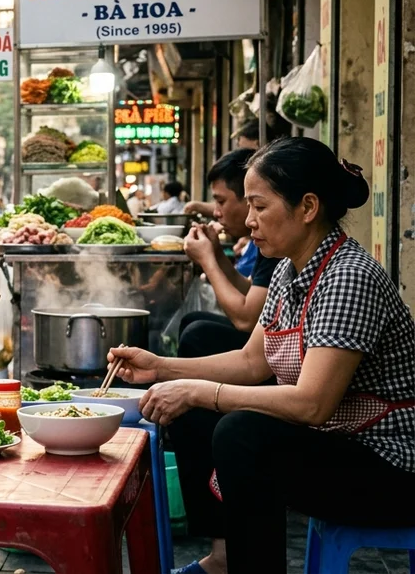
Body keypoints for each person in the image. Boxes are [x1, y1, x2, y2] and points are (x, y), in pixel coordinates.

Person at [109, 137, 415, 574]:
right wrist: (161, 368)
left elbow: (312, 404)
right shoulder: (292, 268)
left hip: (390, 466)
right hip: (340, 443)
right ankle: (225, 558)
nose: (249, 220)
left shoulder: (348, 276)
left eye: (259, 206)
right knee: (199, 410)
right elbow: (253, 362)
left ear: (307, 207)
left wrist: (198, 391)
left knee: (243, 435)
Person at [178, 148, 278, 360]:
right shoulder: (270, 243)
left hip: (274, 353)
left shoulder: (279, 242)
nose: (215, 212)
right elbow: (251, 293)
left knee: (197, 334)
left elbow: (247, 320)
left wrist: (207, 261)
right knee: (192, 322)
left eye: (259, 206)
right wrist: (216, 254)